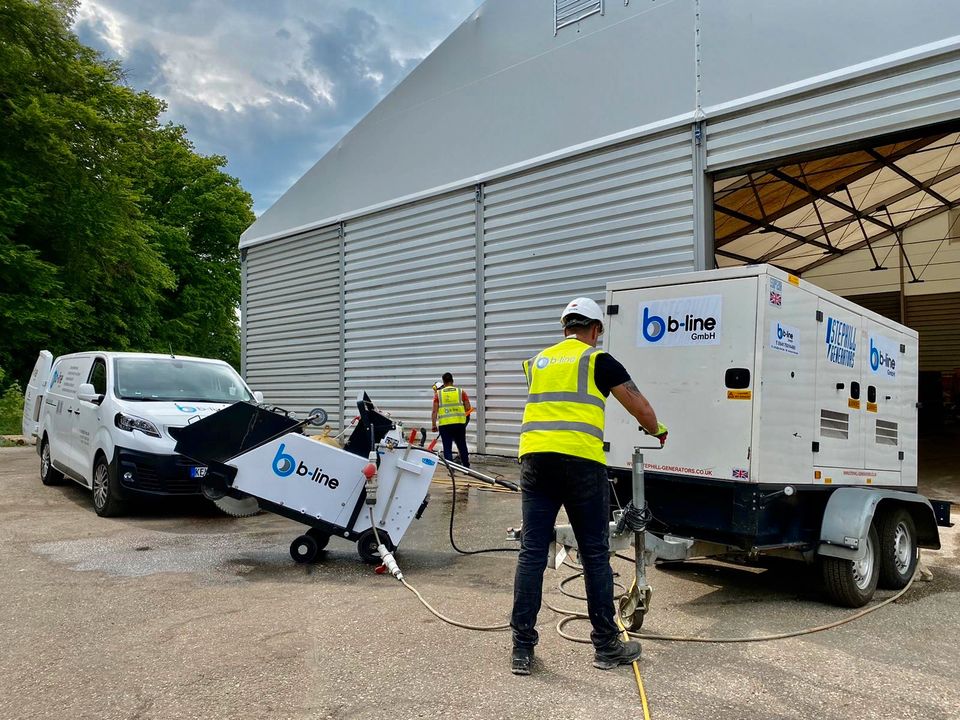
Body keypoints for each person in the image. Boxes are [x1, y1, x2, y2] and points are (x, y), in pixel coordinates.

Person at [510, 297, 667, 676]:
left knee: (532, 553)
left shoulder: (538, 362)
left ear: (565, 327)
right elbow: (639, 407)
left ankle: (522, 650)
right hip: (581, 464)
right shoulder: (598, 360)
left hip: (535, 462)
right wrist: (657, 430)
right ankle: (606, 646)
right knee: (595, 554)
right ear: (595, 330)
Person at [431, 372, 472, 468]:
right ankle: (466, 467)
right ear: (452, 381)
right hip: (459, 424)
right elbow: (468, 407)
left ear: (443, 382)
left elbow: (434, 411)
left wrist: (433, 425)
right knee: (462, 445)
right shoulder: (461, 392)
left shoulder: (438, 394)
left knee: (447, 447)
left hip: (445, 425)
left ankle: (451, 469)